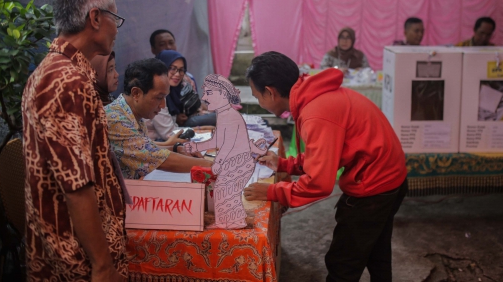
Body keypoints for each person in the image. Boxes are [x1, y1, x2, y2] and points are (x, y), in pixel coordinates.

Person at [243, 51, 408, 281]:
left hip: (374, 184)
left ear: (270, 92)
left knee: (343, 263)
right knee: (375, 250)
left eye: (257, 97)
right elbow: (323, 154)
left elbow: (320, 183)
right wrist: (284, 164)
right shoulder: (313, 97)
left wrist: (272, 191)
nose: (259, 103)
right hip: (390, 175)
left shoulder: (316, 113)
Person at [22, 0, 128, 280]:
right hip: (78, 259)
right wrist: (103, 265)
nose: (117, 30)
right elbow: (76, 185)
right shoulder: (66, 81)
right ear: (95, 17)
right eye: (115, 18)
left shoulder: (56, 70)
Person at [105, 58, 212, 179]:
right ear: (136, 93)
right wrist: (211, 165)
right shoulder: (116, 119)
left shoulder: (133, 114)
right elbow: (156, 158)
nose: (162, 105)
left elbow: (143, 147)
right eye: (159, 97)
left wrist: (176, 148)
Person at [184, 74, 267, 229]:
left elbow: (227, 143)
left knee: (226, 191)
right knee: (224, 191)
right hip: (237, 160)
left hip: (239, 161)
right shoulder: (223, 114)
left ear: (222, 94)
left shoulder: (229, 115)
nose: (204, 97)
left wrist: (220, 161)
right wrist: (197, 147)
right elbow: (217, 140)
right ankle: (229, 220)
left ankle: (234, 222)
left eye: (208, 93)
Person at [149, 50, 216, 136]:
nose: (177, 74)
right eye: (172, 68)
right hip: (156, 142)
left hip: (176, 129)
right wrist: (200, 129)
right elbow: (169, 133)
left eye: (181, 70)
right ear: (161, 68)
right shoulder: (156, 93)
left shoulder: (176, 87)